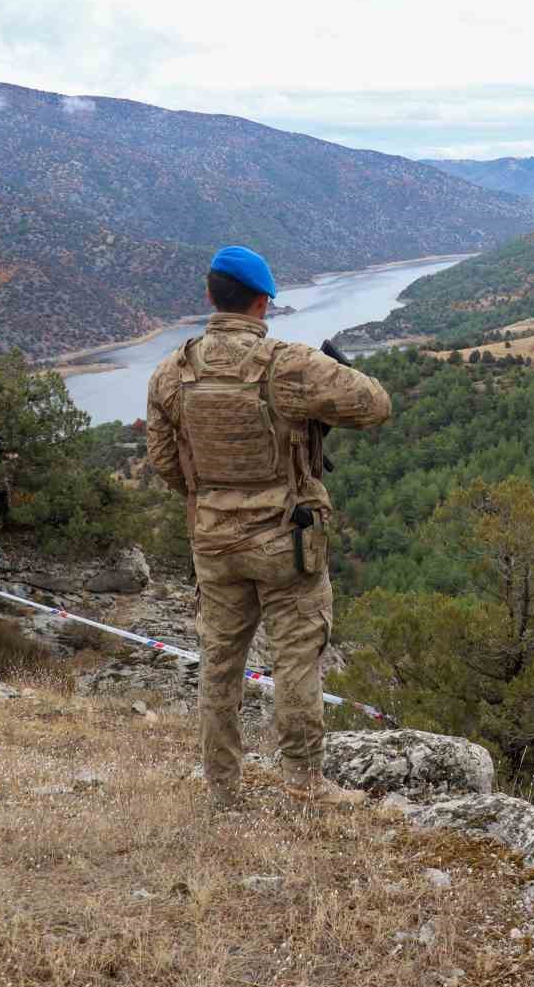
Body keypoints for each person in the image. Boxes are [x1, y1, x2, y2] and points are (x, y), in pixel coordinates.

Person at [146, 246, 392, 811]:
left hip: (213, 541)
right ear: (263, 301)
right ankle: (304, 780)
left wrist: (211, 501)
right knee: (297, 658)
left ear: (211, 297)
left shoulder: (171, 371)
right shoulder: (289, 364)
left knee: (219, 661)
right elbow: (375, 405)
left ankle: (222, 788)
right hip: (287, 540)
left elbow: (164, 463)